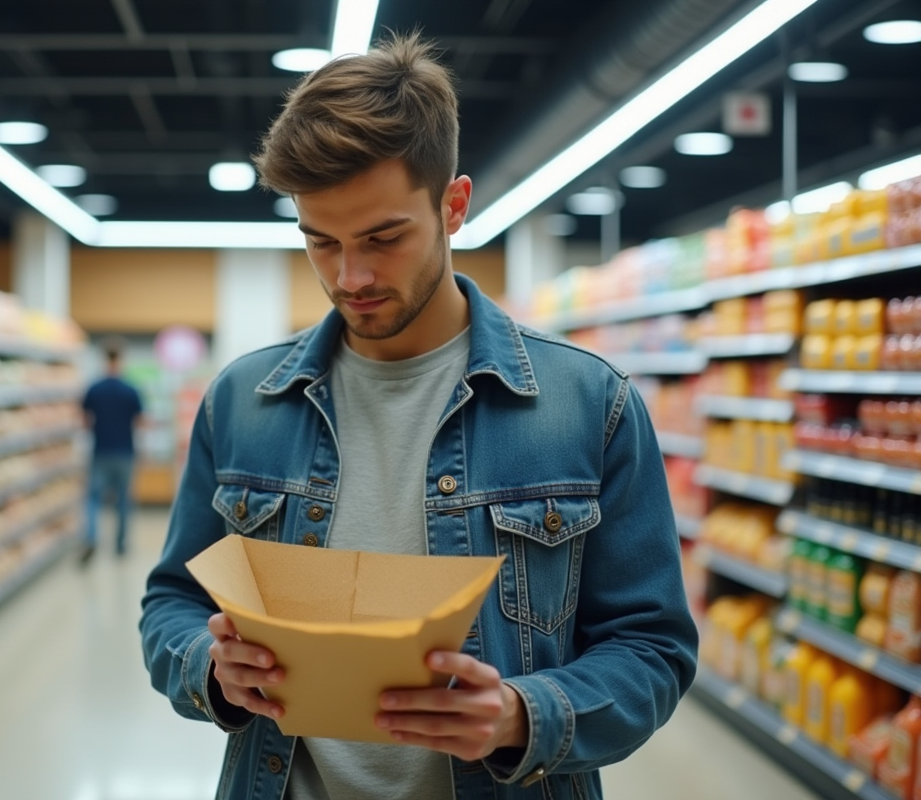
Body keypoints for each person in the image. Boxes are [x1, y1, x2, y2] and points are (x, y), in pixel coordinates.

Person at [140, 32, 697, 800]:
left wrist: (521, 715)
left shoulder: (589, 406)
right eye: (321, 242)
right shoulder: (241, 402)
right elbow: (171, 603)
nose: (351, 276)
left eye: (384, 238)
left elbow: (652, 648)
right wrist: (210, 668)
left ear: (453, 205)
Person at [81, 339, 143, 561]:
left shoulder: (94, 388)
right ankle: (120, 544)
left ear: (104, 358)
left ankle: (91, 538)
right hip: (125, 452)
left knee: (93, 498)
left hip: (100, 451)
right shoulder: (131, 389)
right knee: (124, 500)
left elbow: (85, 421)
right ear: (121, 358)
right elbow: (140, 422)